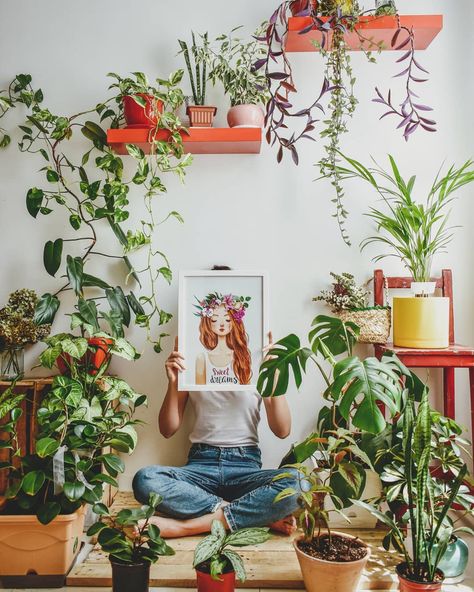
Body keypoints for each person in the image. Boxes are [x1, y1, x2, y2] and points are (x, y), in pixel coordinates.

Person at [133, 270, 300, 539]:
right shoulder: (195, 359)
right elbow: (167, 429)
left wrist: (274, 375)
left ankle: (189, 526)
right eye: (214, 317)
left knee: (298, 482)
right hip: (201, 466)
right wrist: (174, 381)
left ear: (237, 319)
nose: (221, 322)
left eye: (227, 316)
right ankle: (247, 515)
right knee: (145, 479)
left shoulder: (255, 362)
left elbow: (282, 430)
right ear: (205, 320)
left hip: (246, 466)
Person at [194, 291, 252, 386]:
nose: (221, 323)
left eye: (227, 319)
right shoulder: (202, 359)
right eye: (214, 319)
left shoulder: (241, 356)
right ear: (208, 322)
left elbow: (248, 390)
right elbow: (199, 393)